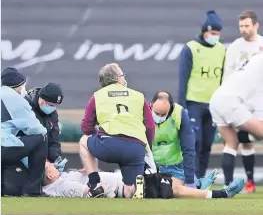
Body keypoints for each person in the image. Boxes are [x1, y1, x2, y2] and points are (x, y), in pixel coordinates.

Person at [80, 63, 155, 198]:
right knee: (128, 191)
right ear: (117, 78)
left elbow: (86, 127)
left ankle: (95, 183)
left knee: (84, 140)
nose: (124, 78)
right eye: (123, 75)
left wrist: (98, 129)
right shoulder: (138, 96)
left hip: (108, 145)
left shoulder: (98, 96)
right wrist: (146, 147)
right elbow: (150, 126)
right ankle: (134, 189)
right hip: (135, 147)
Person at [178, 10, 226, 178]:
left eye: (218, 33)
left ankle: (201, 179)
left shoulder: (221, 50)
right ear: (204, 31)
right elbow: (183, 78)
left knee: (206, 145)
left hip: (213, 105)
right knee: (194, 143)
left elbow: (222, 78)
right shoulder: (190, 48)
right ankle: (191, 178)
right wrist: (182, 105)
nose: (215, 36)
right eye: (212, 33)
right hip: (194, 103)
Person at [41, 161, 244, 199]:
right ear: (50, 175)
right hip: (126, 188)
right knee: (173, 189)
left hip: (124, 179)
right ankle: (221, 194)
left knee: (169, 180)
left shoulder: (64, 177)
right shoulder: (65, 185)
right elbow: (93, 193)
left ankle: (198, 187)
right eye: (49, 165)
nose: (51, 163)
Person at [222, 10, 263, 192]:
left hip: (260, 100)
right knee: (237, 141)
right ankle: (238, 183)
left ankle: (249, 181)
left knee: (247, 140)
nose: (243, 29)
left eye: (247, 26)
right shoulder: (234, 48)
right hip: (240, 101)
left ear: (256, 26)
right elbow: (227, 75)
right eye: (241, 26)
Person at [210, 53, 263, 188]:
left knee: (231, 142)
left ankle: (227, 187)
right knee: (260, 132)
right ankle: (243, 137)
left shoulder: (255, 59)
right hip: (230, 102)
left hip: (216, 99)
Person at [150, 91, 217, 189]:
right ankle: (199, 185)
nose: (160, 117)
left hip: (175, 167)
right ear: (151, 105)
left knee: (175, 189)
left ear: (171, 108)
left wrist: (189, 180)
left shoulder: (180, 114)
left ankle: (199, 185)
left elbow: (188, 148)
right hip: (151, 167)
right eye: (157, 113)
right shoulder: (142, 113)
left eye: (163, 114)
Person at [1, 67, 48, 196]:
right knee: (41, 137)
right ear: (17, 85)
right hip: (3, 147)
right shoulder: (13, 97)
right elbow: (34, 128)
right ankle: (33, 190)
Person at [25, 82, 65, 169]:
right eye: (50, 105)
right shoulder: (26, 108)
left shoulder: (52, 114)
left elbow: (54, 138)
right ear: (42, 99)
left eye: (54, 106)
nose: (52, 108)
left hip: (43, 159)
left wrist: (56, 157)